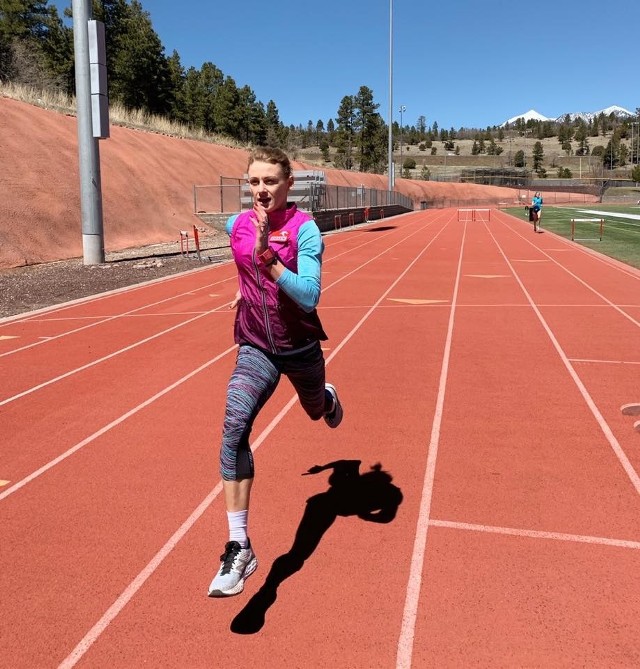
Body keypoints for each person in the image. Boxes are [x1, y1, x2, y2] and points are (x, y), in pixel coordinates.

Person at [208, 146, 344, 598]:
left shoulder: (305, 231)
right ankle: (239, 545)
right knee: (233, 425)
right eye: (254, 182)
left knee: (313, 410)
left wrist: (270, 262)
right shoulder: (238, 226)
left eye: (270, 182)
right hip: (256, 345)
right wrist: (243, 288)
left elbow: (309, 296)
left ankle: (325, 397)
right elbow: (241, 259)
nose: (261, 190)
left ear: (288, 184)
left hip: (300, 346)